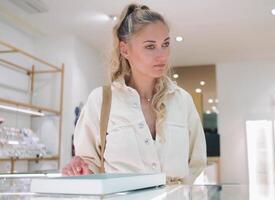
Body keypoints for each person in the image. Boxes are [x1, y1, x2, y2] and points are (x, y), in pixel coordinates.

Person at [61, 4, 207, 184]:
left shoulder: (182, 100)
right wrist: (79, 167)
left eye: (166, 44)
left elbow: (197, 162)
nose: (162, 55)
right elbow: (89, 163)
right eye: (150, 46)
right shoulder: (101, 100)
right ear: (124, 50)